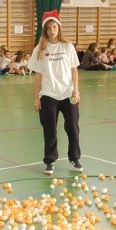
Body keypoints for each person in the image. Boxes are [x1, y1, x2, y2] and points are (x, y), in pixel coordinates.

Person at [28, 10, 81, 176]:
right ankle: (50, 160)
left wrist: (76, 90)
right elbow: (38, 75)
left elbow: (74, 71)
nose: (52, 30)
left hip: (68, 93)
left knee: (73, 126)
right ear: (45, 30)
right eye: (49, 27)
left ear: (59, 28)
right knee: (49, 128)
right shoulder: (40, 49)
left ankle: (75, 157)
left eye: (55, 26)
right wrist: (36, 97)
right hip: (49, 94)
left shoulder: (68, 46)